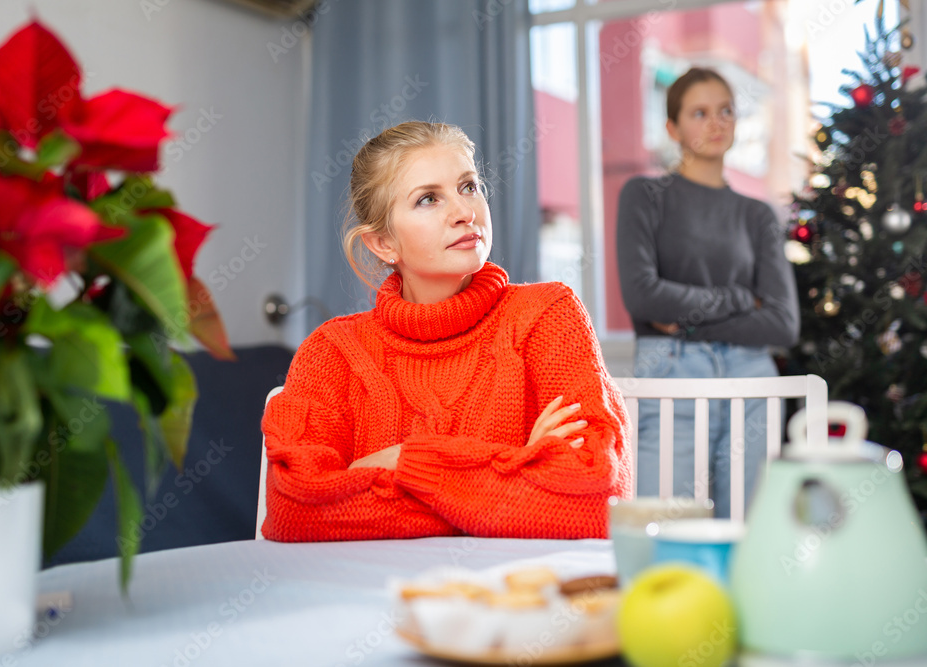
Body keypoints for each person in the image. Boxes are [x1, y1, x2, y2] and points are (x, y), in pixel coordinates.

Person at [261, 121, 632, 542]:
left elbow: (596, 500)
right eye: (429, 199)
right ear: (383, 243)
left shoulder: (548, 315)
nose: (465, 212)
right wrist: (515, 467)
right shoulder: (332, 351)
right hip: (366, 597)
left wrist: (400, 461)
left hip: (509, 597)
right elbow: (295, 511)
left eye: (469, 187)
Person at [616, 67, 800, 518]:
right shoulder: (645, 195)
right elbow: (643, 298)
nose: (716, 123)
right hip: (672, 370)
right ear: (672, 128)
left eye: (726, 111)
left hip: (751, 375)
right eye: (700, 113)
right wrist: (740, 299)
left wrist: (684, 318)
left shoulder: (758, 215)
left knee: (748, 532)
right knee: (666, 530)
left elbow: (783, 323)